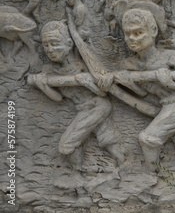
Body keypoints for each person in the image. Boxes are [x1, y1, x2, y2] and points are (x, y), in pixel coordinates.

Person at [98, 8, 175, 172]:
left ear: (153, 31)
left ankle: (153, 175)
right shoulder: (129, 65)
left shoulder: (171, 56)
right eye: (128, 34)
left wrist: (167, 81)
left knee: (148, 138)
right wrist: (112, 82)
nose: (132, 39)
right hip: (161, 106)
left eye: (138, 33)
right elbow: (140, 93)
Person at [29, 21, 124, 171]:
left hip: (97, 105)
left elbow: (103, 93)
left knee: (67, 144)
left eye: (55, 44)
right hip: (83, 108)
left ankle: (78, 172)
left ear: (68, 44)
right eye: (46, 45)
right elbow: (57, 98)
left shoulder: (82, 66)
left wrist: (87, 83)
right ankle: (124, 165)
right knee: (108, 139)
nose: (50, 50)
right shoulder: (50, 70)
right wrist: (43, 85)